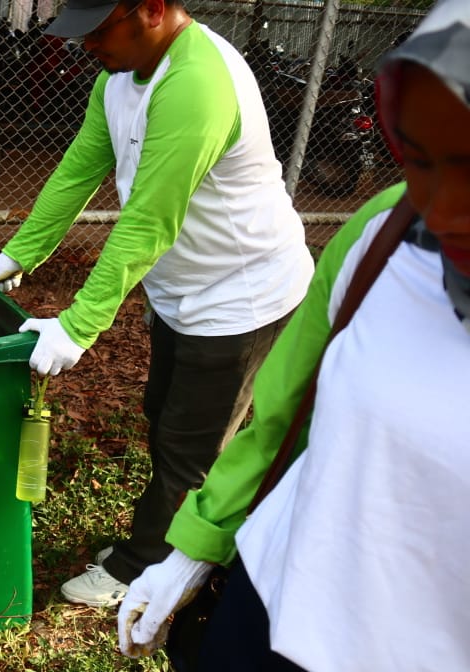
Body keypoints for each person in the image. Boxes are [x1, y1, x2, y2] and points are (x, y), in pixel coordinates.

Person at [117, 4, 470, 670]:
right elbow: (281, 412)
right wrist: (196, 546)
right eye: (420, 161)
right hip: (277, 600)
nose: (444, 207)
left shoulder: (201, 79)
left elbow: (150, 219)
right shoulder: (385, 236)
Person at [0, 0, 314, 607]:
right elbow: (79, 170)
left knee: (190, 445)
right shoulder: (118, 77)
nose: (86, 45)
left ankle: (148, 567)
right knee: (164, 415)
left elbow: (148, 220)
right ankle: (181, 531)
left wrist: (79, 325)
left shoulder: (198, 83)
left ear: (153, 9)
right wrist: (21, 252)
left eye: (98, 29)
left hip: (242, 295)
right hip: (183, 288)